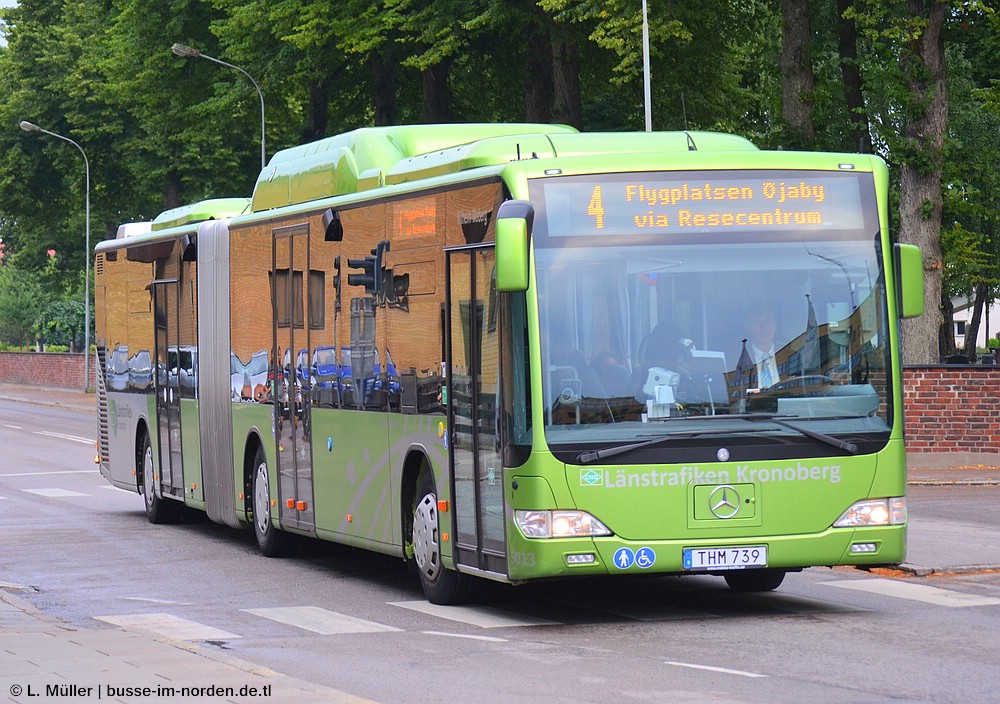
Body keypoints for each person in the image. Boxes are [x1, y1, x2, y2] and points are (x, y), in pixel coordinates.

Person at [745, 305, 779, 389]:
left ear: (775, 325)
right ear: (748, 328)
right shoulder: (738, 361)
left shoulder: (790, 353)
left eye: (768, 320)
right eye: (758, 321)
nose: (765, 327)